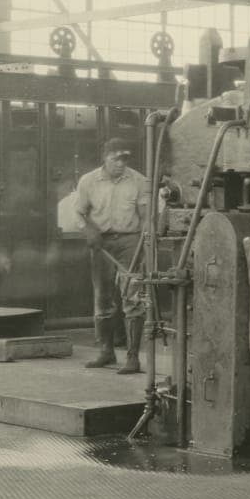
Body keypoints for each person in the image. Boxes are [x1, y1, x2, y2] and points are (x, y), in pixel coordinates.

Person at [75, 138, 150, 375]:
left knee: (133, 297)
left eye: (124, 158)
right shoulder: (88, 181)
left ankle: (132, 357)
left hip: (130, 242)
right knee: (102, 298)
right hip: (102, 243)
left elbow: (146, 216)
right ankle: (106, 351)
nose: (120, 163)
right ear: (104, 158)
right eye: (115, 158)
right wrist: (88, 230)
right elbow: (79, 212)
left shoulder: (138, 181)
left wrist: (143, 243)